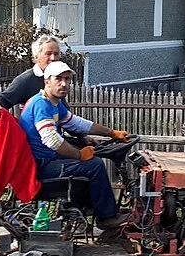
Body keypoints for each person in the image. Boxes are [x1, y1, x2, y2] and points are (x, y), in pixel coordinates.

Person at [19, 61, 128, 227]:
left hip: (44, 160)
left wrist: (111, 132)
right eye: (58, 79)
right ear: (47, 81)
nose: (64, 83)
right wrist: (79, 154)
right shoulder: (41, 104)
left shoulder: (52, 103)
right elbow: (51, 140)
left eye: (67, 79)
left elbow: (76, 123)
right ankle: (106, 217)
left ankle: (89, 209)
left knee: (91, 158)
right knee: (95, 165)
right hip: (41, 167)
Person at [0, 34, 62, 120]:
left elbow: (64, 113)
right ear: (37, 56)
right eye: (48, 54)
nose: (53, 58)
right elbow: (5, 98)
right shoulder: (26, 80)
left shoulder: (59, 78)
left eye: (56, 54)